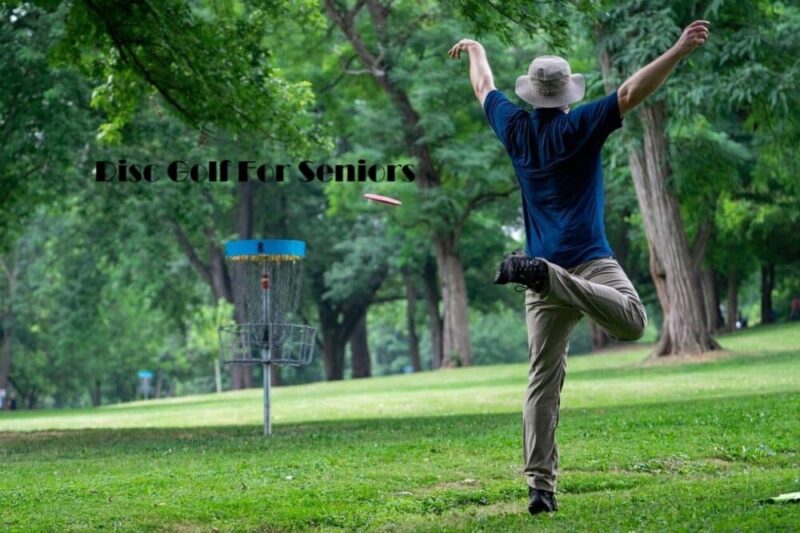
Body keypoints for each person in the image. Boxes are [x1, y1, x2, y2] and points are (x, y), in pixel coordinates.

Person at [448, 20, 710, 515]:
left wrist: (477, 49)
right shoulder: (580, 124)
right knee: (633, 320)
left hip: (540, 269)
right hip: (588, 263)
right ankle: (540, 490)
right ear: (566, 94)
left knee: (541, 380)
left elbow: (483, 85)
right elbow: (631, 90)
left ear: (531, 95)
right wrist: (677, 49)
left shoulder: (515, 127)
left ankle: (540, 488)